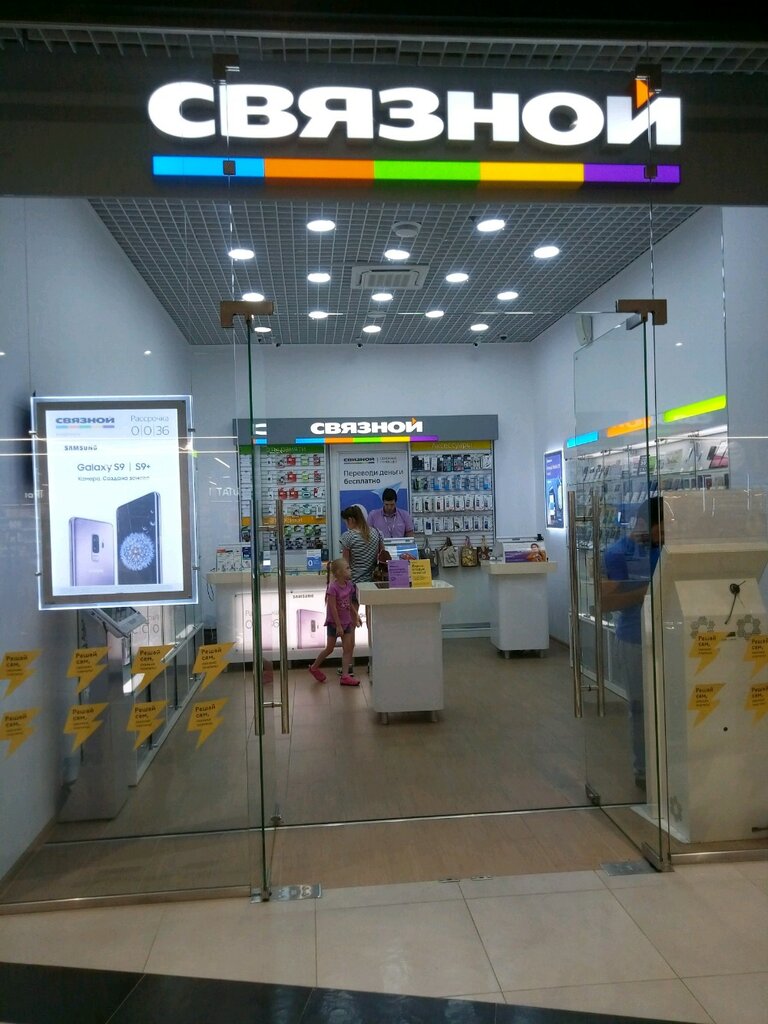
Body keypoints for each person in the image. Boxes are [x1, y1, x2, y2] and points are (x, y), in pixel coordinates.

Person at [601, 499, 664, 791]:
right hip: (634, 638)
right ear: (644, 523)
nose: (663, 536)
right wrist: (647, 592)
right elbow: (608, 602)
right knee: (640, 707)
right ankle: (643, 770)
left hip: (666, 634)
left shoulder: (663, 548)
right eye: (660, 530)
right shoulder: (617, 554)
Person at [308, 558, 361, 687]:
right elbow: (332, 608)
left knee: (348, 648)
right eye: (347, 568)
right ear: (339, 572)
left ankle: (345, 676)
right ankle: (314, 667)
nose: (350, 570)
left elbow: (349, 603)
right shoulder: (333, 588)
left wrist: (356, 615)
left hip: (347, 622)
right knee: (330, 648)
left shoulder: (349, 586)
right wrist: (338, 625)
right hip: (334, 624)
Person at [340, 505, 384, 584]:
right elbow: (383, 555)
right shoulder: (377, 532)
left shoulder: (348, 536)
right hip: (374, 581)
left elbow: (345, 563)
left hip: (355, 582)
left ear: (350, 520)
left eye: (346, 522)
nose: (346, 525)